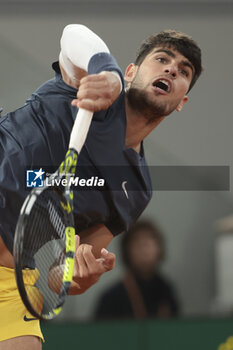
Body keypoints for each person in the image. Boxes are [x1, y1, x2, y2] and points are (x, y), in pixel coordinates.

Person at [0, 24, 202, 348]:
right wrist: (106, 72)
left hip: (11, 283)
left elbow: (60, 275)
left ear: (182, 101)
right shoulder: (85, 84)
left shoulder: (136, 189)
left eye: (183, 71)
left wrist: (81, 277)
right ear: (131, 71)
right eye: (162, 59)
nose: (171, 70)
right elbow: (71, 34)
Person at [95, 220, 179, 320]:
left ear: (159, 248)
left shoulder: (166, 291)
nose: (144, 248)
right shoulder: (112, 297)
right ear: (127, 250)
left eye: (149, 242)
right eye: (137, 242)